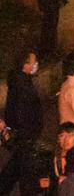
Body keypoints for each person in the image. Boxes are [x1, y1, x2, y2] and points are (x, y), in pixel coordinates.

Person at [0, 50, 42, 195]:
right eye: (34, 61)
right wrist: (27, 134)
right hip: (25, 136)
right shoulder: (22, 85)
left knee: (16, 166)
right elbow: (21, 111)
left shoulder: (21, 80)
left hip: (23, 135)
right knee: (26, 172)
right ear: (25, 65)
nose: (36, 64)